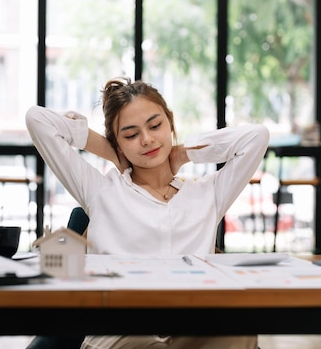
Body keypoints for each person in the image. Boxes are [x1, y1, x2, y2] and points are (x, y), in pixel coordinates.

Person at [25, 77, 270, 349]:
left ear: (170, 122)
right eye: (130, 135)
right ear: (118, 142)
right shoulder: (100, 191)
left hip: (191, 326)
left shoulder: (208, 193)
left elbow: (256, 137)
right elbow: (38, 119)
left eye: (155, 126)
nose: (147, 140)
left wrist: (184, 154)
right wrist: (109, 151)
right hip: (121, 333)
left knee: (240, 329)